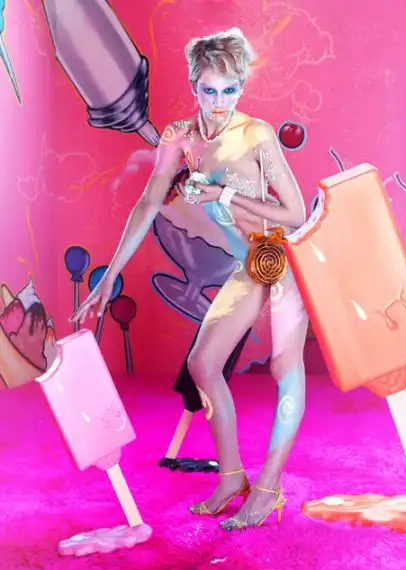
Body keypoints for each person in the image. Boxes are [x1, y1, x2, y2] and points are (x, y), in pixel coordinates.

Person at [71, 27, 309, 530]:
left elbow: (295, 213)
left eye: (230, 90)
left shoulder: (257, 135)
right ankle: (231, 477)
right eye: (209, 90)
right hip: (247, 266)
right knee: (203, 364)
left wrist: (224, 195)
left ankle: (268, 488)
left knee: (285, 369)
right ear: (193, 85)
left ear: (241, 86)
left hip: (280, 259)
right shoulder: (179, 138)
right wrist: (108, 277)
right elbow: (147, 204)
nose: (219, 102)